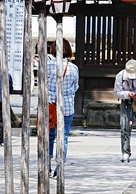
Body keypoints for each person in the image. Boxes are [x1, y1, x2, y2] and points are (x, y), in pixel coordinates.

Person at [48, 38, 79, 178]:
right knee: (64, 136)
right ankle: (59, 167)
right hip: (66, 105)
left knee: (49, 136)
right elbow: (75, 87)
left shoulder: (47, 65)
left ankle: (46, 165)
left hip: (50, 105)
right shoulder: (73, 68)